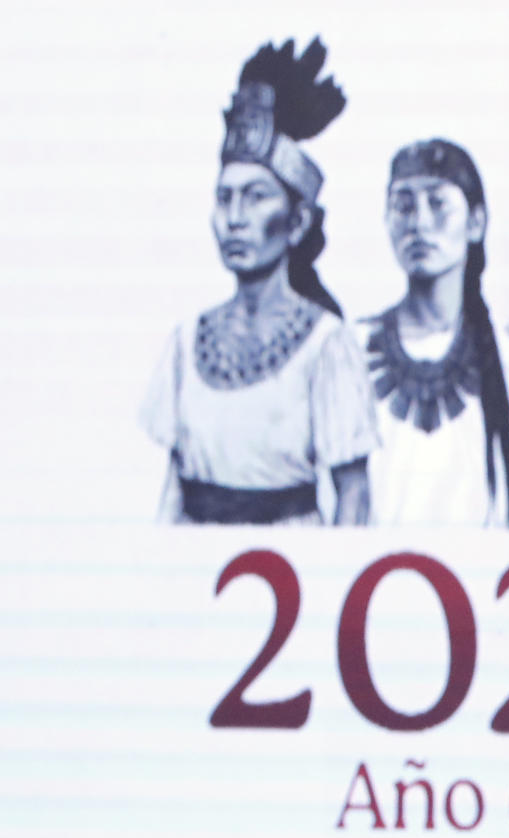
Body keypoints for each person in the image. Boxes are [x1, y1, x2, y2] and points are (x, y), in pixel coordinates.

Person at [141, 38, 378, 525]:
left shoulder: (326, 345)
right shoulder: (186, 344)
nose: (235, 218)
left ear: (297, 221)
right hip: (194, 568)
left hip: (290, 570)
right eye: (224, 198)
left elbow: (354, 498)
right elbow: (171, 490)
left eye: (255, 198)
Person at [362, 139, 509, 528]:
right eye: (403, 206)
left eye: (437, 205)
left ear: (476, 223)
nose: (418, 223)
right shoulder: (350, 354)